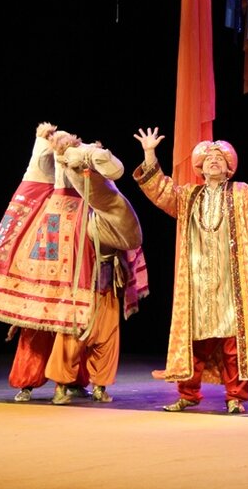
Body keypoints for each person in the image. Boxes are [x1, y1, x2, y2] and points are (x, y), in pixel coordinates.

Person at [133, 127, 248, 414]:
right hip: (196, 283)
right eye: (208, 159)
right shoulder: (187, 196)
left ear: (229, 168)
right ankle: (188, 394)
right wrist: (149, 153)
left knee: (233, 343)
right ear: (200, 169)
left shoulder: (241, 193)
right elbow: (160, 190)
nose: (213, 161)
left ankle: (235, 397)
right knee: (194, 341)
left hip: (231, 283)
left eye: (219, 158)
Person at [41, 132, 147, 405]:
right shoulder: (66, 205)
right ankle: (61, 385)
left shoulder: (102, 199)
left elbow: (126, 234)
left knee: (107, 335)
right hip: (79, 286)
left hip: (106, 282)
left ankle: (100, 385)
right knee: (72, 334)